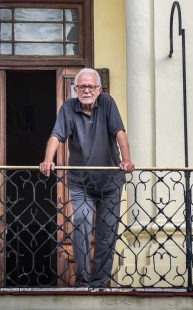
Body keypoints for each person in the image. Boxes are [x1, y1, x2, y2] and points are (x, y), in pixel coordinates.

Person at [39, 68, 134, 287]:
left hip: (110, 182)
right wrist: (47, 159)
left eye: (91, 86)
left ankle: (100, 282)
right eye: (82, 86)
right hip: (81, 182)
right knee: (81, 220)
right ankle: (83, 280)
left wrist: (127, 160)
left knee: (106, 232)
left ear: (99, 89)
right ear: (75, 89)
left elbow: (120, 133)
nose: (87, 90)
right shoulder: (69, 108)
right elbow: (56, 135)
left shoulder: (108, 103)